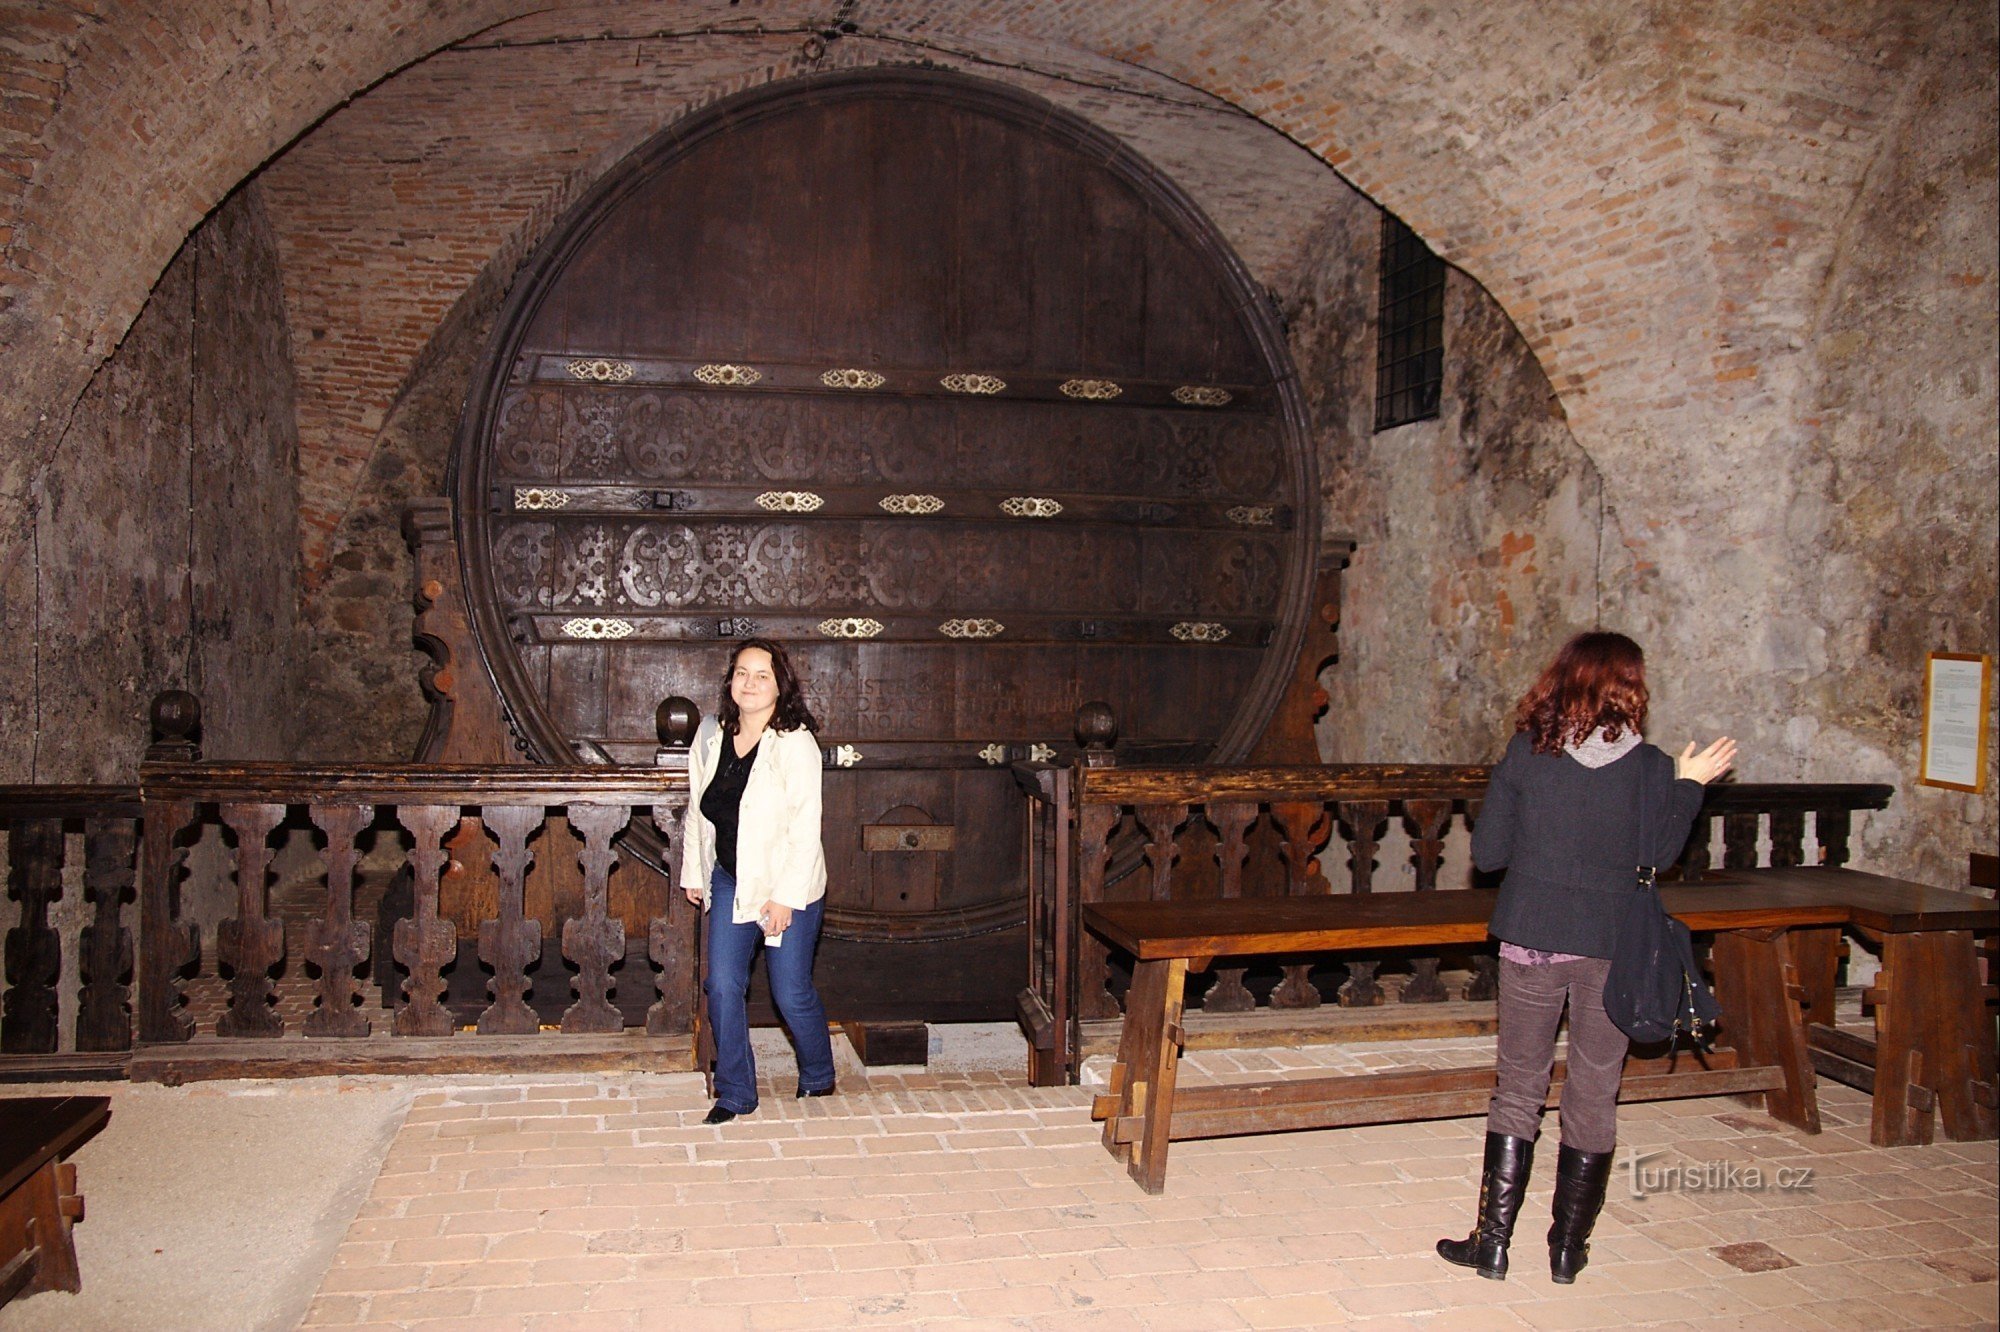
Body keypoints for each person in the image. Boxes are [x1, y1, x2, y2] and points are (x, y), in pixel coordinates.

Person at [1437, 631, 1736, 1282]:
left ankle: (1491, 1245)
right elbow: (1658, 855)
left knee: (1518, 1087)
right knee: (1596, 1093)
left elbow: (1488, 854)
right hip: (1610, 945)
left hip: (1533, 938)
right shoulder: (1655, 768)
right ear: (1630, 689)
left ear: (1562, 680)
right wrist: (1687, 785)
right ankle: (1568, 1251)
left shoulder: (1527, 754)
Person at [680, 638, 836, 1124]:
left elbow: (805, 828)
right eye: (741, 673)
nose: (749, 683)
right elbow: (697, 811)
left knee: (790, 992)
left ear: (779, 685)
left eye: (761, 675)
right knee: (722, 985)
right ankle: (735, 1093)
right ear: (731, 681)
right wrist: (694, 873)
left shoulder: (794, 743)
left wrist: (785, 898)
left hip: (786, 884)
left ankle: (817, 1074)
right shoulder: (711, 735)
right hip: (730, 878)